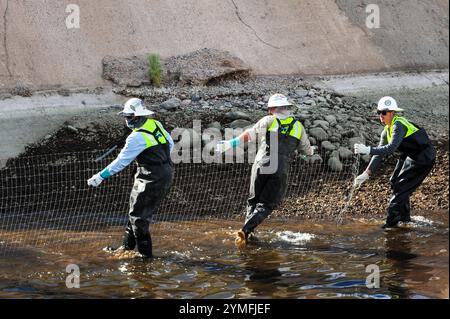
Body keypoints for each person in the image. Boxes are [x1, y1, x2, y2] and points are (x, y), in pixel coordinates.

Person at [216, 93, 314, 247]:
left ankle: (247, 234)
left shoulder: (268, 120)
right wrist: (306, 153)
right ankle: (246, 230)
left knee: (253, 200)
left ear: (273, 109)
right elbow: (308, 152)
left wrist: (231, 143)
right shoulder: (298, 126)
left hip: (261, 164)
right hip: (280, 168)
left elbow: (250, 134)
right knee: (267, 205)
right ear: (287, 108)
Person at [87, 98, 174, 258]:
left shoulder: (135, 138)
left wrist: (100, 176)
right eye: (126, 116)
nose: (127, 120)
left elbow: (121, 162)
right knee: (135, 211)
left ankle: (145, 258)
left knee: (139, 218)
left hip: (151, 177)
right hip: (165, 172)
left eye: (129, 117)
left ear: (138, 117)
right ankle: (126, 248)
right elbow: (170, 143)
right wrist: (160, 159)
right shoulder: (155, 124)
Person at [353, 96, 436, 229]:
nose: (381, 116)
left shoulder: (399, 125)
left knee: (401, 187)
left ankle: (391, 225)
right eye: (379, 112)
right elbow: (379, 153)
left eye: (384, 112)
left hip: (424, 157)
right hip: (410, 154)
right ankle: (405, 218)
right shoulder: (386, 131)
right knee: (395, 182)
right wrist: (366, 173)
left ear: (392, 113)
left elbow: (390, 149)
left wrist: (367, 149)